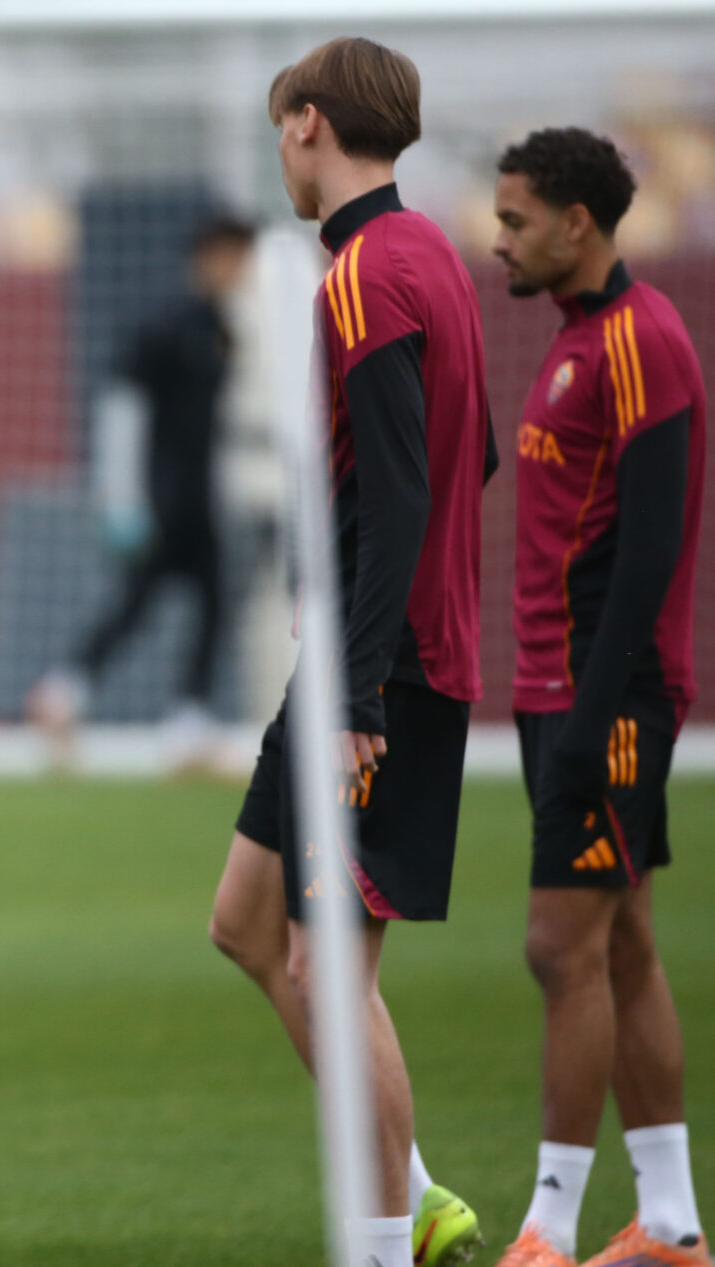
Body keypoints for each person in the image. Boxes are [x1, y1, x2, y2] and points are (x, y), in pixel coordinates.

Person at [207, 39, 496, 1267]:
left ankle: (384, 1240)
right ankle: (417, 1192)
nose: (280, 149)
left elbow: (393, 492)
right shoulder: (426, 253)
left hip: (382, 675)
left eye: (281, 126)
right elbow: (462, 465)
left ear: (309, 123)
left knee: (326, 965)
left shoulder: (367, 272)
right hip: (360, 656)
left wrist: (362, 681)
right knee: (245, 921)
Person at [490, 128, 709, 1267]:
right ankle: (671, 1226)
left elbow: (654, 540)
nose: (498, 237)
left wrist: (591, 711)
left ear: (577, 221)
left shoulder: (640, 339)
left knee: (556, 947)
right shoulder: (575, 341)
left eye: (516, 217)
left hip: (602, 693)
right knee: (618, 944)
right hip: (559, 690)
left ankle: (546, 1231)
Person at [27, 216, 255, 763]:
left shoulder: (222, 327)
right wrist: (123, 497)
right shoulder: (165, 325)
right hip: (164, 497)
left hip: (199, 496)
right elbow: (123, 412)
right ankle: (70, 692)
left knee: (207, 602)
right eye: (234, 257)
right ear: (209, 256)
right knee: (146, 603)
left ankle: (175, 717)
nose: (241, 270)